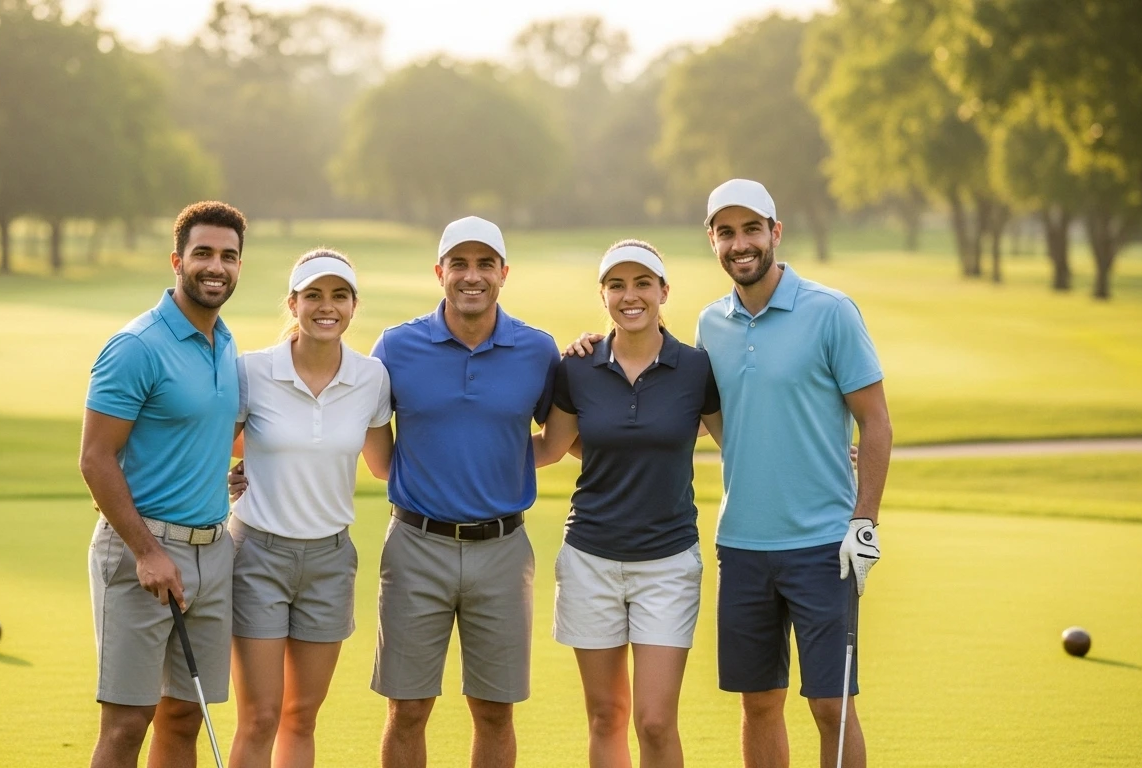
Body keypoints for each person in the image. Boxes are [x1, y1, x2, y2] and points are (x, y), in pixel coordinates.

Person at [570, 178, 891, 768]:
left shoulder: (830, 312)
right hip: (741, 545)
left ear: (775, 232)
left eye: (751, 230)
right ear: (712, 241)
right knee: (759, 703)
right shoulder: (709, 325)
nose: (739, 243)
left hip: (823, 543)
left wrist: (864, 520)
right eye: (726, 233)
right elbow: (684, 413)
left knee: (830, 707)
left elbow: (875, 422)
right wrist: (597, 353)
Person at [371, 216, 559, 768]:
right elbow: (376, 456)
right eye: (459, 264)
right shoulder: (396, 346)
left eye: (484, 264)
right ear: (440, 272)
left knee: (495, 711)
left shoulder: (538, 350)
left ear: (503, 273)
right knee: (407, 709)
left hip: (502, 550)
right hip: (415, 545)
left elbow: (553, 442)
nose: (471, 276)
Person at [533, 240, 722, 768]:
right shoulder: (578, 368)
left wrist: (822, 449)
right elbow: (552, 446)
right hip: (590, 558)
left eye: (643, 284)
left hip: (667, 563)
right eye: (617, 285)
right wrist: (455, 455)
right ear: (603, 294)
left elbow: (742, 442)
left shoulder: (695, 368)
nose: (630, 295)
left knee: (656, 723)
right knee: (605, 716)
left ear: (664, 292)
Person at [79, 200, 247, 768]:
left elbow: (195, 432)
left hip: (212, 551)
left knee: (184, 716)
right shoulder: (136, 346)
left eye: (228, 256)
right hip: (141, 556)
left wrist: (222, 475)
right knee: (128, 722)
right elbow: (96, 459)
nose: (215, 266)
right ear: (177, 260)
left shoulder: (225, 342)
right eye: (203, 253)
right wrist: (147, 552)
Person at [225, 249, 394, 768]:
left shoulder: (371, 378)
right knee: (259, 717)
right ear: (293, 303)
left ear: (353, 305)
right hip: (258, 556)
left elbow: (384, 464)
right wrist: (236, 473)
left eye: (339, 296)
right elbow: (215, 445)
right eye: (313, 296)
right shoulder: (251, 371)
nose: (327, 307)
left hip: (329, 562)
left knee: (301, 716)